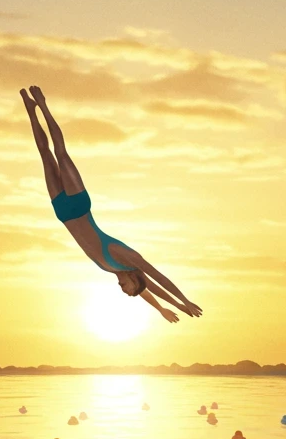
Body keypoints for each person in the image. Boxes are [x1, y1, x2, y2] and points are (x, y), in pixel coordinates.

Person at [21, 86, 202, 323]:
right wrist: (183, 301)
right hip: (78, 205)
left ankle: (31, 111)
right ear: (134, 280)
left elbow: (147, 291)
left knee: (45, 156)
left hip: (62, 212)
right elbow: (157, 278)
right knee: (61, 154)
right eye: (126, 289)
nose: (121, 289)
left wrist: (161, 310)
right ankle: (43, 105)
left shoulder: (112, 269)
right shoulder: (125, 257)